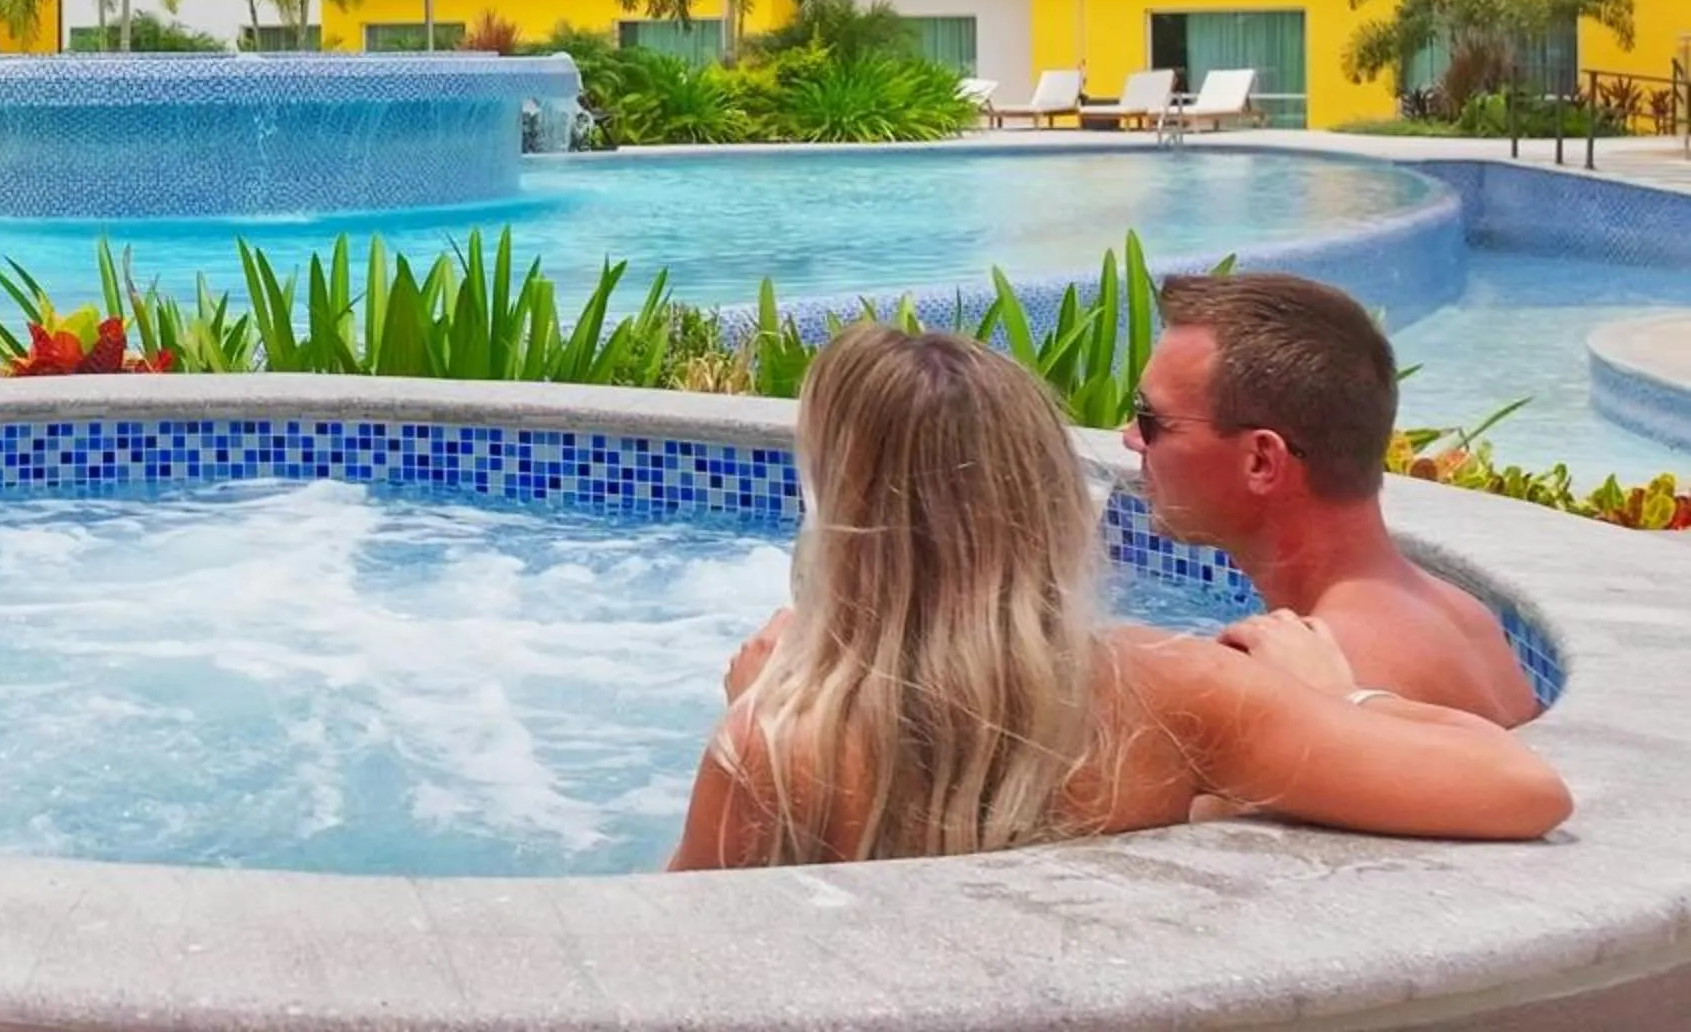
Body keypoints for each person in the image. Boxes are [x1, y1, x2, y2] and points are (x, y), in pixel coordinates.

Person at [671, 324, 1569, 871]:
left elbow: (667, 963)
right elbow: (1523, 788)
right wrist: (1331, 698)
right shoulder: (1164, 692)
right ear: (1044, 502)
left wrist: (760, 708)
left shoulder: (778, 745)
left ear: (842, 514)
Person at [1127, 272, 1540, 726]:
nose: (1129, 439)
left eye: (1150, 420)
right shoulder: (1462, 615)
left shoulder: (1315, 675)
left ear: (1261, 461)